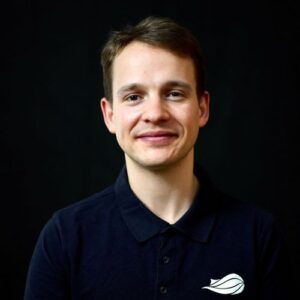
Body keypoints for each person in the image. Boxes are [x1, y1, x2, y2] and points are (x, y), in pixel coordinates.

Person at [24, 16, 294, 299]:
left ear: (202, 108)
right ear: (110, 115)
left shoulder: (258, 236)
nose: (155, 113)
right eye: (133, 97)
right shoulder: (65, 237)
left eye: (174, 93)